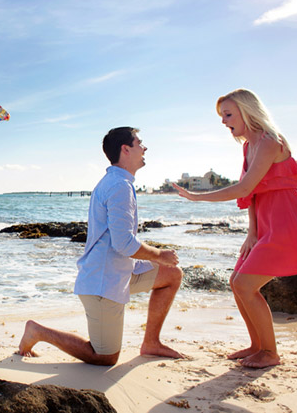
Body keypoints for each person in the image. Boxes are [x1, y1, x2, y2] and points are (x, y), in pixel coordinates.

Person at [172, 88, 297, 369]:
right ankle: (257, 345)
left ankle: (270, 353)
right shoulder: (248, 146)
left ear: (246, 111)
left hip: (287, 222)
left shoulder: (269, 141)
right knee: (236, 282)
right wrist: (252, 232)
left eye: (228, 114)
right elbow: (252, 195)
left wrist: (197, 198)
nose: (224, 121)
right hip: (265, 223)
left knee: (245, 284)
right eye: (222, 116)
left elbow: (245, 187)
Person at [18, 127, 184, 366]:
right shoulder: (118, 186)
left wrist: (158, 261)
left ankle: (151, 343)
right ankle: (38, 332)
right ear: (125, 149)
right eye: (140, 143)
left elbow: (120, 244)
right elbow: (123, 243)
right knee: (105, 357)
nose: (144, 147)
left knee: (172, 275)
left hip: (122, 273)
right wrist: (160, 254)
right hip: (102, 283)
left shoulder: (120, 182)